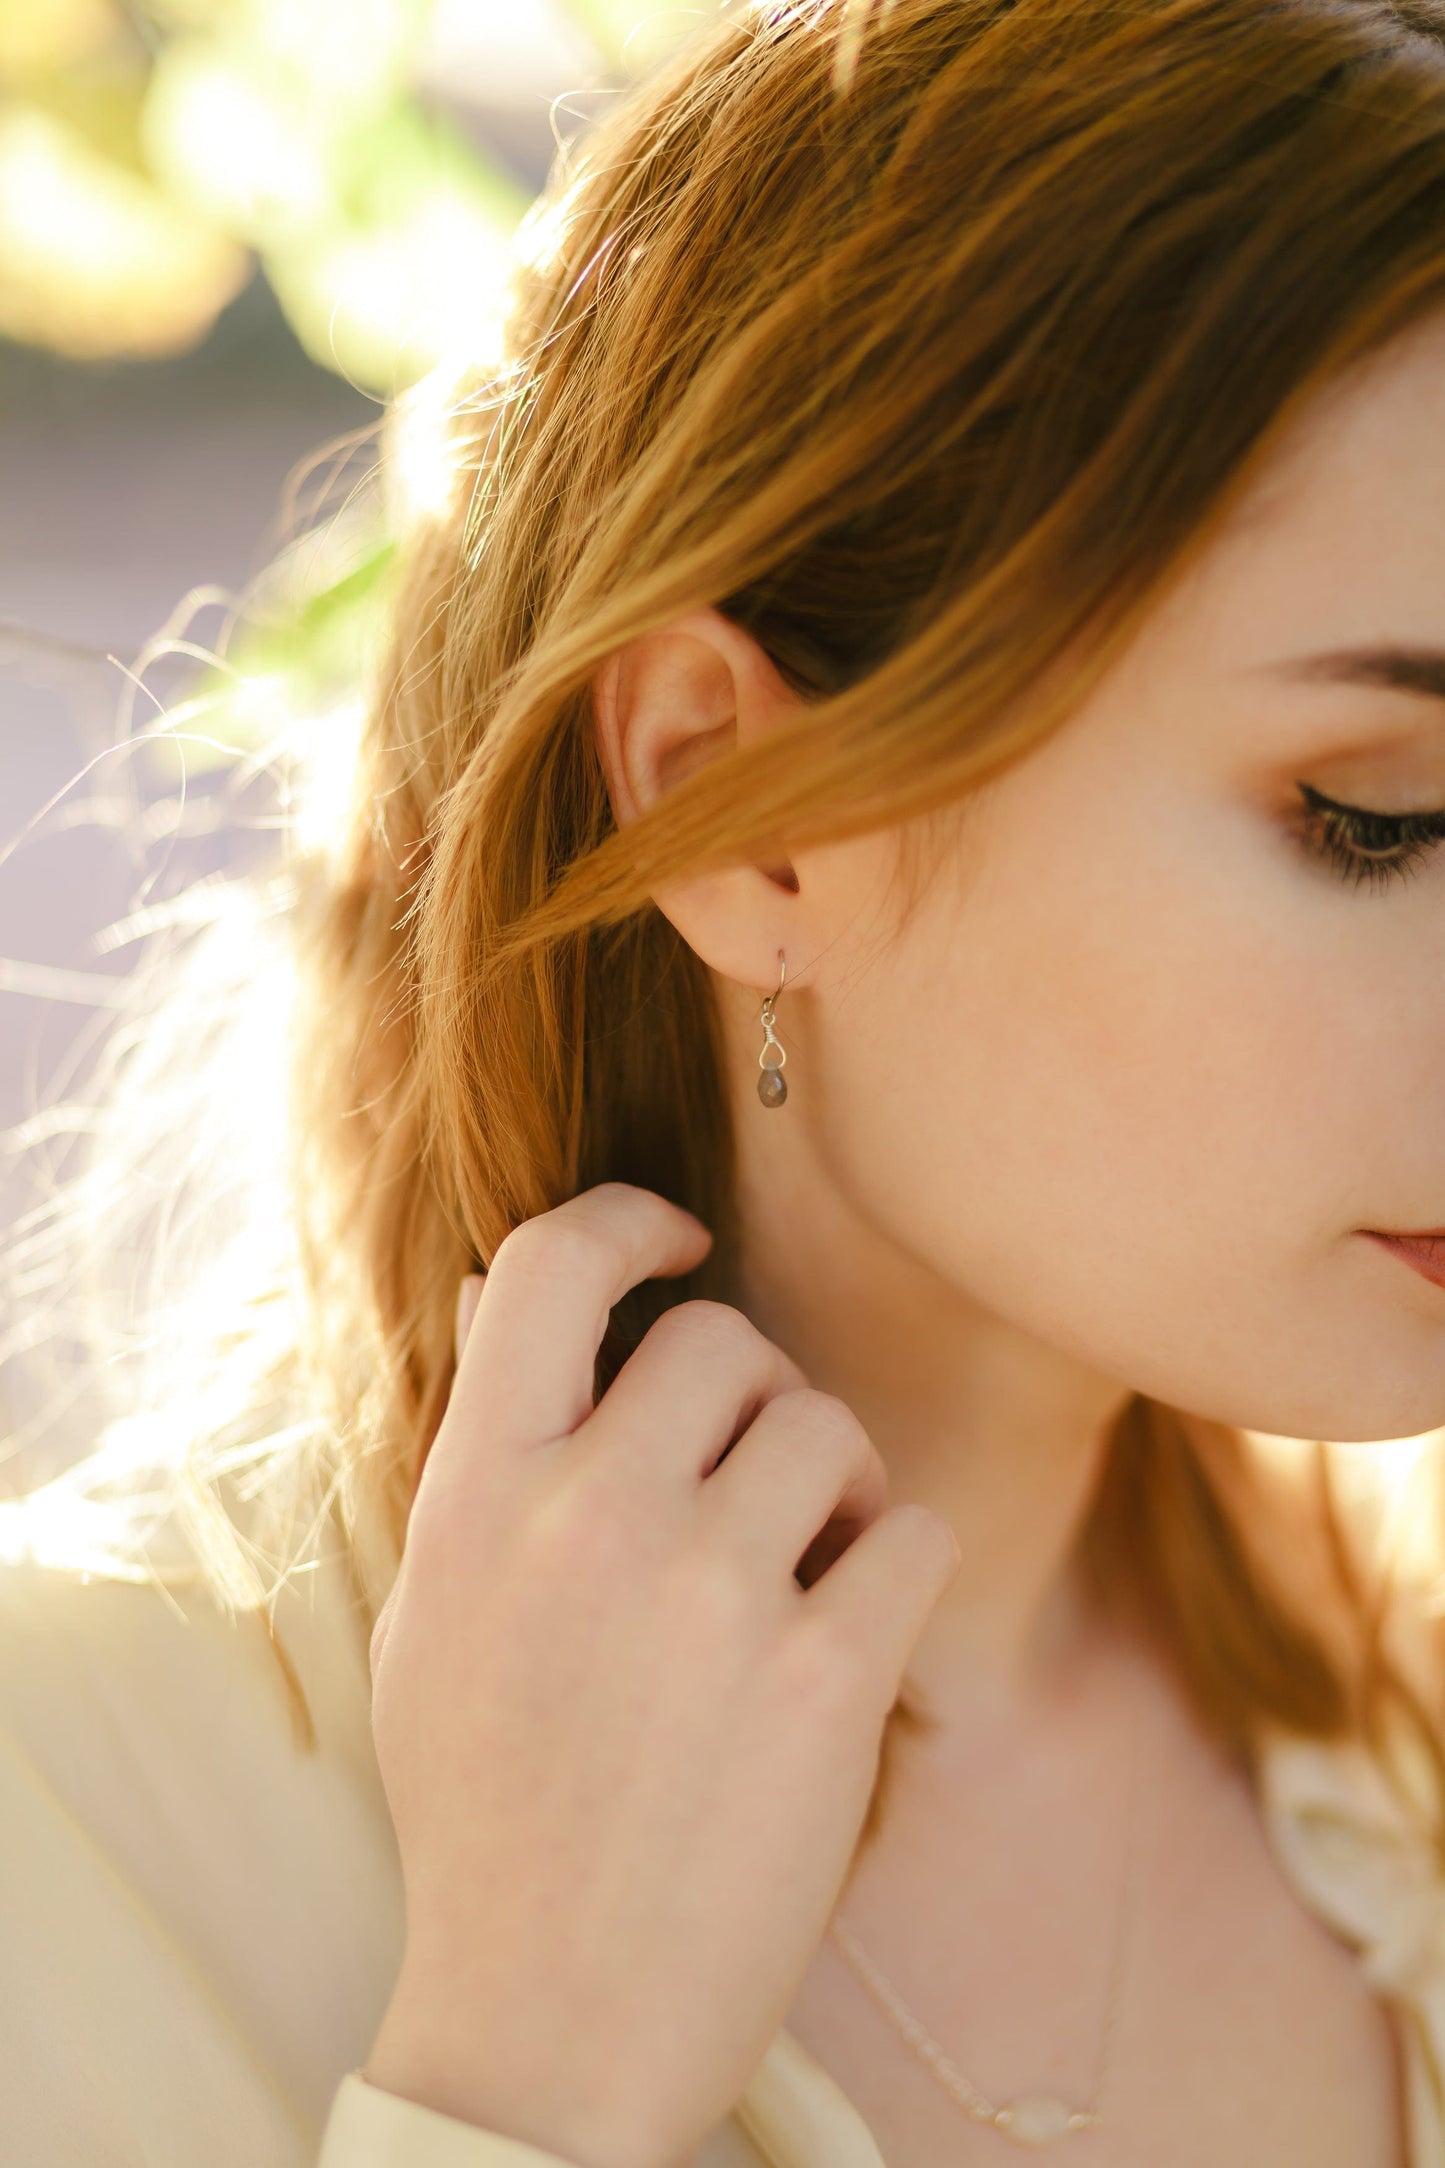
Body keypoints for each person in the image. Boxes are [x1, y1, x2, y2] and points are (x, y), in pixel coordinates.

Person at [3, 0, 1445, 2161]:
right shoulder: (74, 1804)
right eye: (1376, 812)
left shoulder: (1402, 1725)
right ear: (742, 800)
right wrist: (526, 2090)